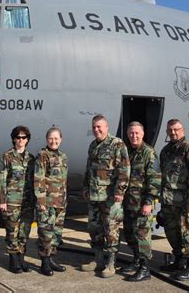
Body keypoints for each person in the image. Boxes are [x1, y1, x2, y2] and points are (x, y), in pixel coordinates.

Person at [80, 115, 130, 278]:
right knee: (94, 229)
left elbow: (124, 170)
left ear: (107, 127)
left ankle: (111, 263)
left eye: (100, 126)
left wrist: (119, 191)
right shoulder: (92, 145)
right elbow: (89, 169)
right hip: (94, 196)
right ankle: (98, 259)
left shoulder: (117, 144)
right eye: (94, 127)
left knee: (111, 230)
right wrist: (85, 187)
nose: (97, 130)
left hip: (110, 197)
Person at [159, 119, 189, 281]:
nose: (173, 132)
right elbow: (163, 178)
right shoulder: (166, 151)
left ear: (182, 130)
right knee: (172, 232)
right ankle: (179, 261)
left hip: (185, 202)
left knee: (187, 233)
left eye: (176, 129)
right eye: (170, 130)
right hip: (169, 201)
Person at [121, 122, 161, 281]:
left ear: (143, 134)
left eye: (137, 133)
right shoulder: (127, 151)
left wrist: (149, 201)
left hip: (141, 203)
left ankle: (145, 269)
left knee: (143, 235)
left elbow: (155, 179)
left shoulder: (149, 153)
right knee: (131, 234)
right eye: (131, 133)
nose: (134, 136)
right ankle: (136, 261)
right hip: (128, 203)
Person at [0, 126, 36, 274]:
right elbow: (1, 179)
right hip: (12, 200)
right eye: (18, 137)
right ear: (13, 139)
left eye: (24, 137)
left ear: (27, 139)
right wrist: (2, 200)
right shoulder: (7, 156)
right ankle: (13, 260)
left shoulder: (31, 158)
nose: (21, 140)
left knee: (25, 230)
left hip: (27, 201)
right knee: (12, 230)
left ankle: (21, 258)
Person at [34, 127, 68, 276]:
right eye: (51, 138)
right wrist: (41, 201)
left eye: (56, 138)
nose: (54, 141)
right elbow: (38, 179)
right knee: (45, 234)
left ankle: (52, 259)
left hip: (60, 202)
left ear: (61, 139)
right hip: (47, 202)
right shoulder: (43, 156)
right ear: (47, 140)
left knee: (56, 234)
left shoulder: (63, 156)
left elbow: (64, 181)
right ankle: (45, 263)